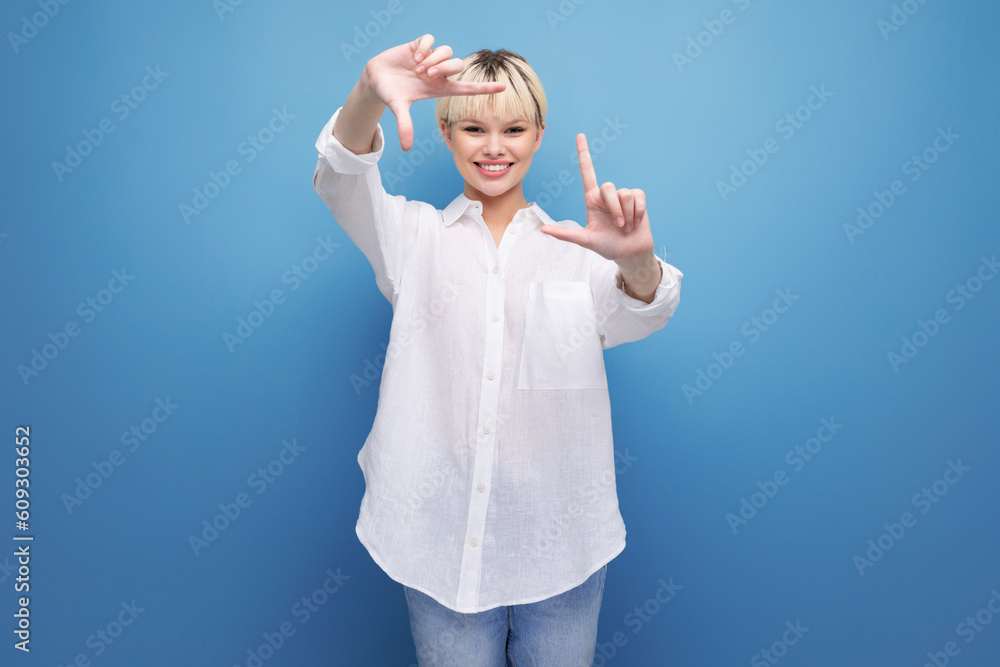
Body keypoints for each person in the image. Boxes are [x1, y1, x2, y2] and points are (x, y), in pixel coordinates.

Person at [312, 33, 683, 666]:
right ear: (446, 133)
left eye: (513, 129)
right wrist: (368, 93)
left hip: (562, 546)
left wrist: (637, 262)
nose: (493, 147)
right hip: (435, 542)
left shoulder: (581, 252)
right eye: (473, 129)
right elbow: (340, 179)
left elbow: (644, 310)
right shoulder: (412, 238)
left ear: (538, 135)